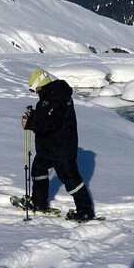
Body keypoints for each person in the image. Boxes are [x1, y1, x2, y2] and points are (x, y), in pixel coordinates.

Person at [21, 68, 96, 221]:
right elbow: (47, 117)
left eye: (34, 88)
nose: (34, 92)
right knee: (38, 168)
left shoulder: (58, 97)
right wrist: (34, 116)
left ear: (39, 84)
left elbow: (51, 123)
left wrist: (30, 123)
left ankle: (85, 210)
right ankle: (39, 202)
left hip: (61, 148)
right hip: (49, 147)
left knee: (70, 178)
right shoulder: (50, 96)